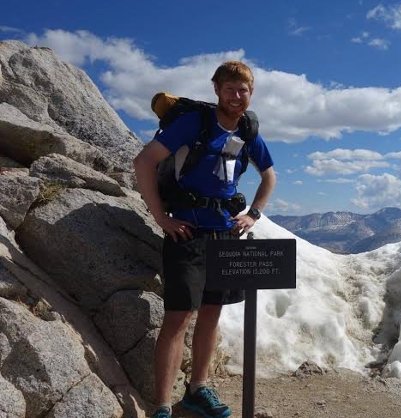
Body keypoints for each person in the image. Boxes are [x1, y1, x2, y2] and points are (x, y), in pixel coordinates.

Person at [133, 61, 276, 418]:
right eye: (229, 89)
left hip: (226, 232)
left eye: (243, 90)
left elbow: (269, 176)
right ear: (216, 90)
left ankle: (197, 388)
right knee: (178, 318)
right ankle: (164, 406)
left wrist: (254, 213)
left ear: (251, 93)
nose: (236, 96)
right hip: (189, 232)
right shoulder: (193, 123)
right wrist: (160, 217)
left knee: (211, 314)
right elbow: (144, 162)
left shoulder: (248, 131)